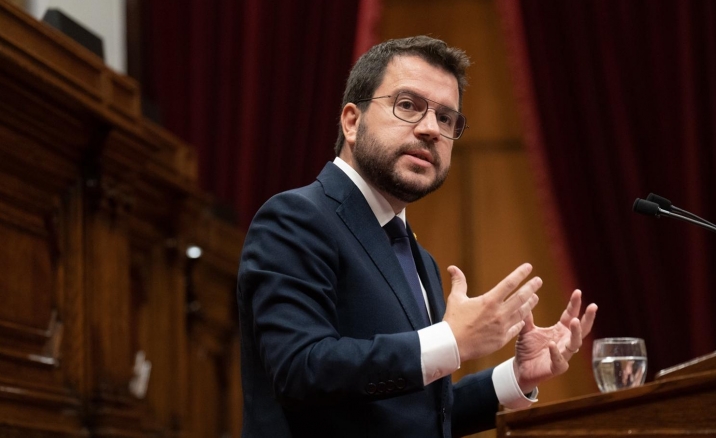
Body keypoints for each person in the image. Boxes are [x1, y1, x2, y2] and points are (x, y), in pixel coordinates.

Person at [237, 35, 598, 438]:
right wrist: (450, 340)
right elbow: (300, 369)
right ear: (352, 121)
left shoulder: (417, 255)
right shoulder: (296, 218)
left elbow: (418, 414)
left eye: (446, 119)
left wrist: (513, 376)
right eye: (408, 105)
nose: (431, 130)